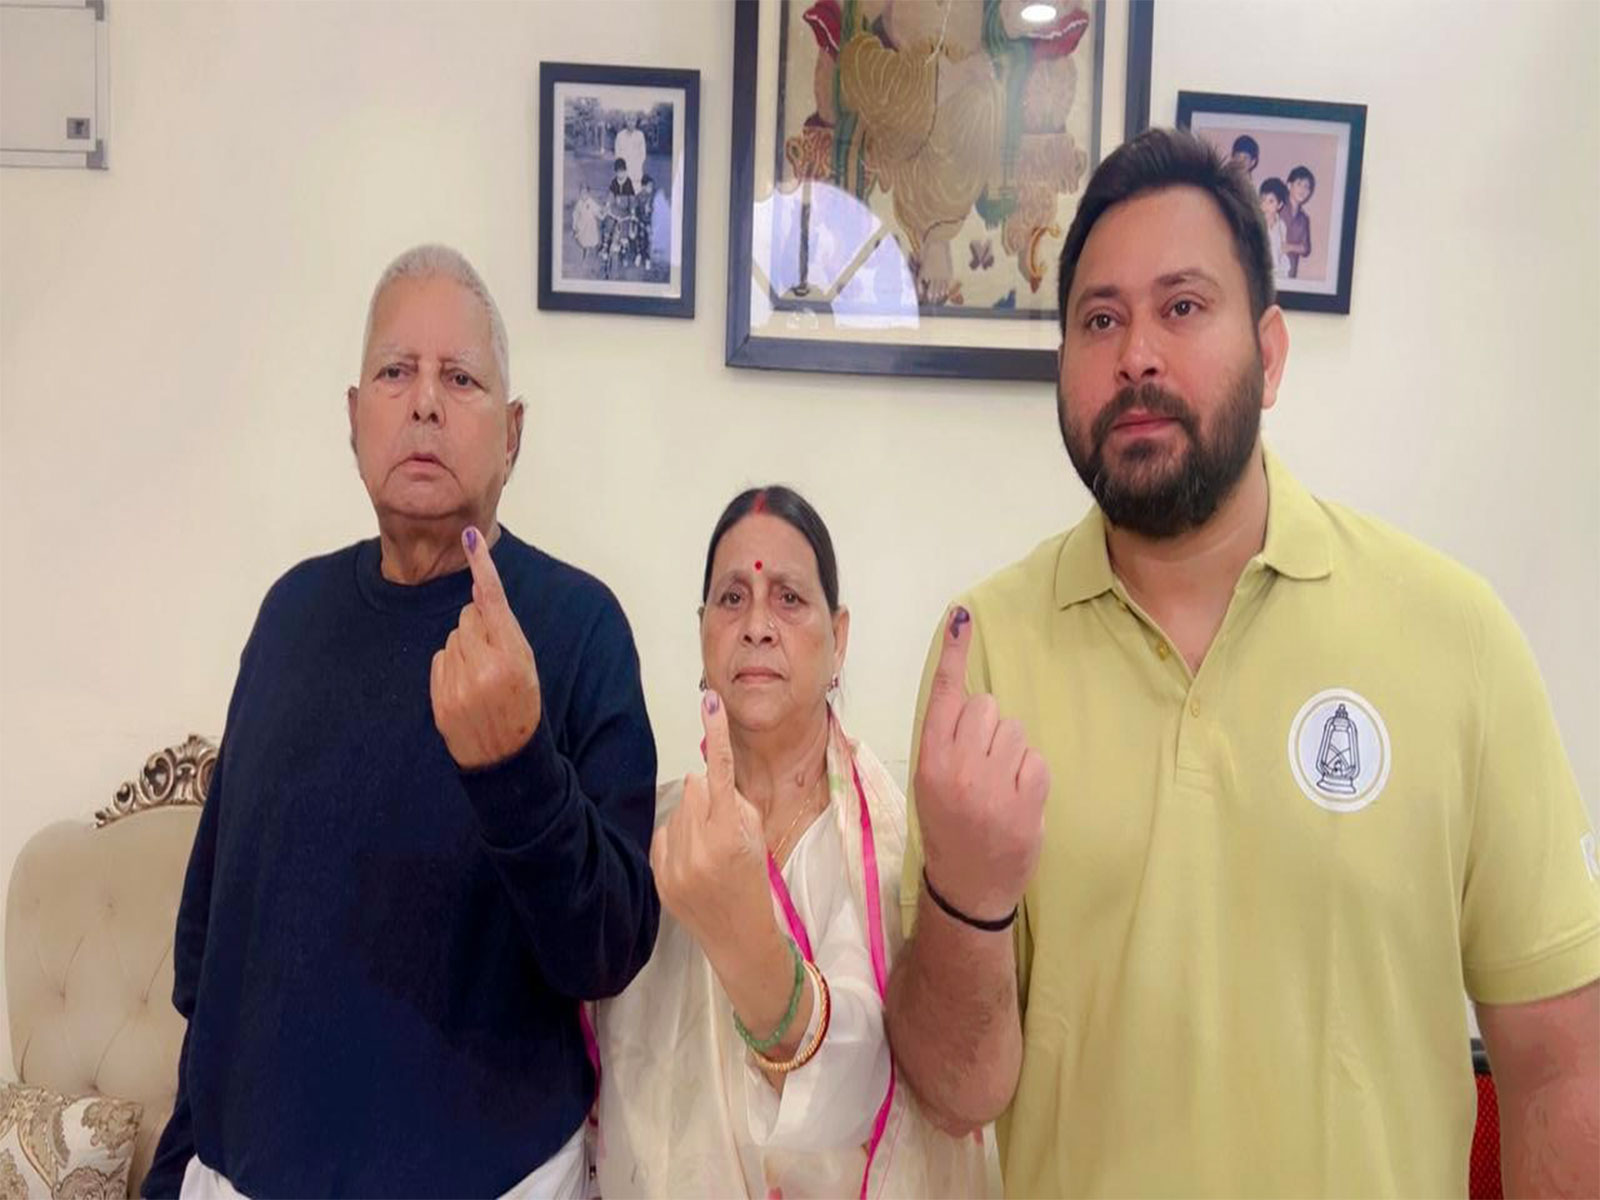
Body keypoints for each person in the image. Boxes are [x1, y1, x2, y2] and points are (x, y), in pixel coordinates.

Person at [886, 128, 1600, 1197]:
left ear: (1268, 354)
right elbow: (955, 1093)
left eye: (1181, 306)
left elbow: (1558, 1071)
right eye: (1099, 319)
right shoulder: (984, 650)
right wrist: (965, 899)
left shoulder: (1456, 636)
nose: (1136, 354)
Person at [142, 245, 659, 1198]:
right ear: (353, 419)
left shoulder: (579, 629)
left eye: (459, 378)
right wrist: (180, 1162)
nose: (424, 402)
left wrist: (515, 768)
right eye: (396, 372)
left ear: (512, 433)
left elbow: (611, 948)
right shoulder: (289, 613)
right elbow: (215, 940)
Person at [594, 487, 986, 1199]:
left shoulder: (893, 845)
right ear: (702, 630)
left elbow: (866, 1082)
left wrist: (747, 946)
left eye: (789, 600)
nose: (757, 626)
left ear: (839, 636)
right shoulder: (654, 835)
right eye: (732, 598)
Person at [1284, 163, 1315, 278]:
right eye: (1299, 184)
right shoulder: (1276, 208)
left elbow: (1306, 249)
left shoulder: (1304, 219)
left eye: (1307, 186)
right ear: (1289, 186)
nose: (1303, 189)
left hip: (1290, 273)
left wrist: (1289, 247)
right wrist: (1298, 247)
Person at [1259, 176, 1292, 277]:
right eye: (1262, 200)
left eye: (1271, 201)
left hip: (1278, 273)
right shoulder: (1255, 225)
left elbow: (1281, 252)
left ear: (1279, 205)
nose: (1265, 205)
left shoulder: (1282, 226)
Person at [614, 111, 647, 193]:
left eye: (633, 120)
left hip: (636, 172)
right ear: (626, 121)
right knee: (623, 199)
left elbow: (643, 154)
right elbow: (617, 154)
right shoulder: (620, 136)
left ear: (636, 122)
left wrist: (637, 165)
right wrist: (622, 169)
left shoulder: (640, 135)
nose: (631, 123)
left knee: (636, 198)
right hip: (623, 173)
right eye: (629, 120)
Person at [572, 183, 602, 261]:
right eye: (581, 193)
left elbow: (597, 210)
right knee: (583, 240)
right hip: (582, 224)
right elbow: (576, 213)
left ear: (588, 193)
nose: (583, 195)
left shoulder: (591, 202)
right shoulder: (579, 203)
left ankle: (594, 253)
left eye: (585, 193)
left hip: (590, 224)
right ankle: (585, 251)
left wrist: (601, 215)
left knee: (592, 239)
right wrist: (575, 225)